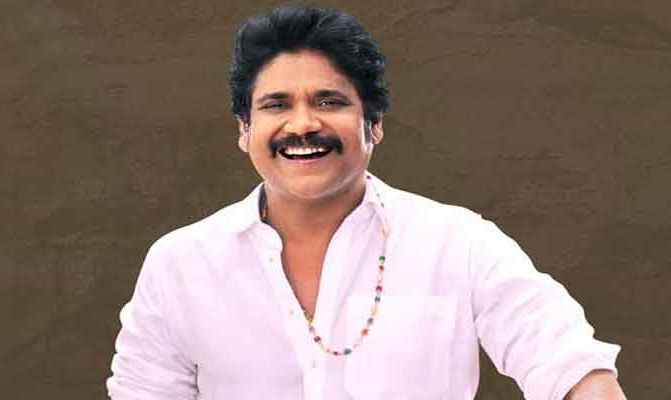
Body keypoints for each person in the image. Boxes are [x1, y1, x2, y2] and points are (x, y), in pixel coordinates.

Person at [106, 5, 626, 400]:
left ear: (373, 124)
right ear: (245, 130)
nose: (303, 123)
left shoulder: (459, 244)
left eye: (329, 101)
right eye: (276, 105)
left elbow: (570, 364)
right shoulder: (180, 264)